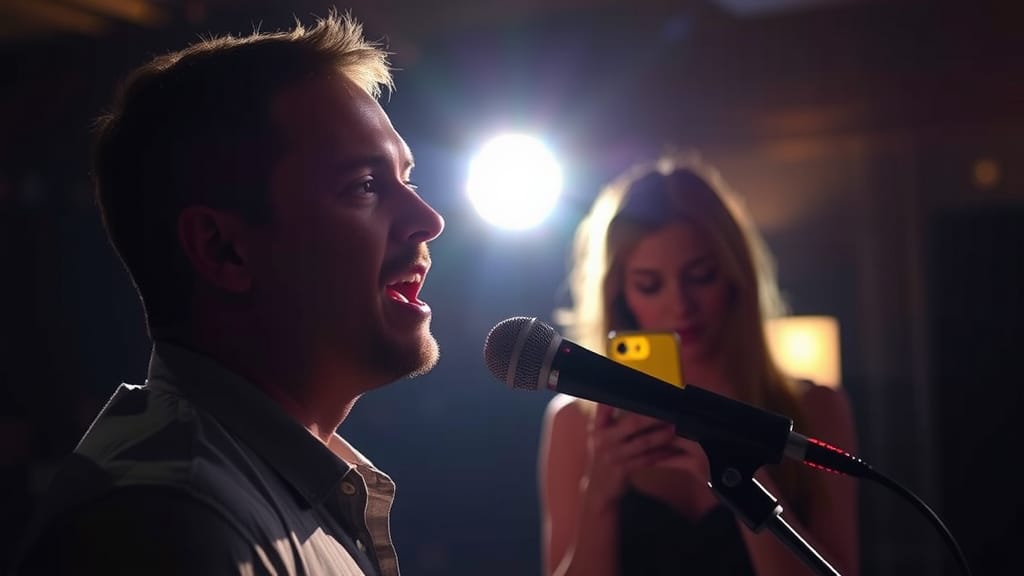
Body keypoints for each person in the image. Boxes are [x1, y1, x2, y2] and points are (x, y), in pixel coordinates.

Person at [12, 11, 444, 576]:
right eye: (364, 185)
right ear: (223, 250)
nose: (428, 219)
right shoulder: (168, 524)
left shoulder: (271, 490)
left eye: (407, 179)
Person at [539, 152, 859, 576]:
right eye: (649, 285)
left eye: (701, 276)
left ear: (734, 277)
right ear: (619, 294)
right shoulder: (577, 423)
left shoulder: (814, 408)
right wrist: (598, 496)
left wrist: (743, 481)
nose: (680, 305)